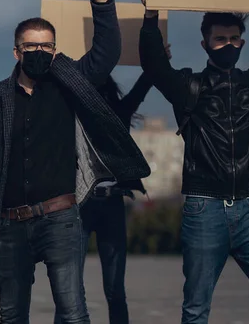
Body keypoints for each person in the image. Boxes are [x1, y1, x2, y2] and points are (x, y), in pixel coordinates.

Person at [0, 0, 151, 324]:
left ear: (54, 50)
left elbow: (106, 54)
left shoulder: (68, 83)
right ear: (17, 52)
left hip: (60, 217)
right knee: (11, 314)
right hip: (9, 222)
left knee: (73, 311)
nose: (39, 51)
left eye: (46, 46)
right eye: (31, 46)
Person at [139, 0, 249, 323]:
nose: (228, 45)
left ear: (242, 42)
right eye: (220, 39)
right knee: (196, 308)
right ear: (205, 43)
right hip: (204, 209)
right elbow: (155, 65)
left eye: (234, 39)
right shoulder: (189, 86)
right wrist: (152, 12)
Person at [53, 45, 170, 324]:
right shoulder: (69, 113)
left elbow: (143, 86)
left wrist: (156, 59)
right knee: (70, 287)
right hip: (79, 203)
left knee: (115, 287)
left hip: (112, 202)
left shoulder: (119, 112)